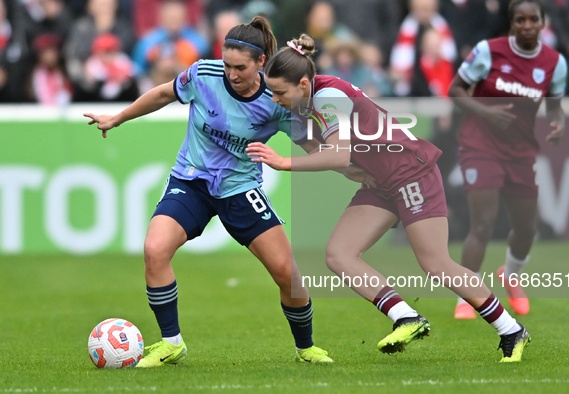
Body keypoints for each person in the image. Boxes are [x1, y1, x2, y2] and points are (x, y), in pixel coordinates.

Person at [246, 33, 531, 362]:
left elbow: (337, 154)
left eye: (280, 92)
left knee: (436, 264)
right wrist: (348, 168)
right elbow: (332, 152)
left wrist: (285, 163)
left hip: (412, 173)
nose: (275, 98)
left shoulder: (328, 96)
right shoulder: (306, 100)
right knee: (340, 254)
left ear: (305, 83)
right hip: (381, 183)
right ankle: (406, 317)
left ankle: (511, 329)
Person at [84, 17, 333, 367]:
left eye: (240, 67)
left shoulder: (276, 100)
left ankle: (306, 347)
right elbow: (162, 94)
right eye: (227, 64)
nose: (231, 73)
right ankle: (171, 343)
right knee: (155, 249)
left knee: (286, 274)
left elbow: (317, 147)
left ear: (261, 62)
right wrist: (118, 118)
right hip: (191, 180)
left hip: (240, 188)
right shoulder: (203, 74)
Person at [447, 0, 566, 319]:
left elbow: (554, 106)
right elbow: (455, 90)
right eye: (520, 20)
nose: (527, 25)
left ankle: (511, 275)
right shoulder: (489, 51)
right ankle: (466, 297)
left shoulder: (554, 62)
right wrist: (486, 111)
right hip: (480, 145)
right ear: (511, 23)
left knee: (527, 227)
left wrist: (558, 123)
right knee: (482, 222)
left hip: (520, 151)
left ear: (543, 22)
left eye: (533, 19)